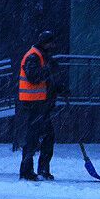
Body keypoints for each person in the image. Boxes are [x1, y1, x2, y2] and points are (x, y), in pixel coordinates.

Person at [18, 31, 70, 181]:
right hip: (33, 105)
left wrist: (60, 89)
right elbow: (34, 78)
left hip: (42, 105)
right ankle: (27, 171)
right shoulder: (33, 56)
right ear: (45, 43)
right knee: (32, 138)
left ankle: (43, 169)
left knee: (48, 137)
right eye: (51, 43)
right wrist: (48, 69)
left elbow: (48, 82)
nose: (53, 46)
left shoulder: (44, 57)